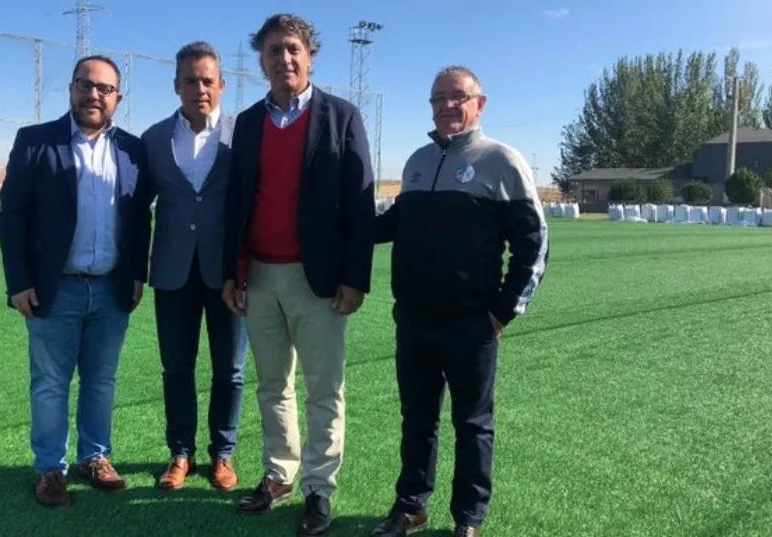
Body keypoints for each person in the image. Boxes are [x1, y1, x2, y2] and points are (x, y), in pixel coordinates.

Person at [370, 65, 549, 537]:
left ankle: (468, 520)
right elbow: (394, 224)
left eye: (457, 96)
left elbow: (534, 243)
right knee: (417, 419)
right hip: (413, 318)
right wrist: (338, 221)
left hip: (472, 323)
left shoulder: (502, 161)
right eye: (438, 98)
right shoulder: (417, 161)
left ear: (479, 103)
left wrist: (503, 311)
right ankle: (411, 505)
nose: (447, 105)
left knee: (472, 425)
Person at [221, 12, 376, 537]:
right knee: (271, 385)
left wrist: (355, 276)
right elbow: (236, 203)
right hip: (259, 277)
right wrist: (232, 271)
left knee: (323, 389)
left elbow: (359, 203)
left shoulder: (342, 116)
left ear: (309, 55)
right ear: (260, 61)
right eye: (272, 51)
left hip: (320, 281)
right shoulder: (245, 123)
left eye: (292, 49)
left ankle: (319, 489)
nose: (283, 59)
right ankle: (279, 475)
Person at [0, 54, 143, 508]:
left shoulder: (133, 150)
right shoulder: (35, 142)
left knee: (101, 381)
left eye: (105, 89)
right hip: (52, 288)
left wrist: (137, 272)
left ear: (118, 98)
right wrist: (18, 280)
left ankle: (94, 457)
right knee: (50, 384)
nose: (94, 94)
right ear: (71, 89)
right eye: (86, 84)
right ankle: (49, 469)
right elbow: (12, 215)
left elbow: (140, 219)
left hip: (110, 288)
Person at [130, 41, 248, 492]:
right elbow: (139, 210)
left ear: (221, 84)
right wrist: (137, 271)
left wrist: (246, 269)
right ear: (176, 86)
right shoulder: (154, 138)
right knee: (176, 369)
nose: (199, 87)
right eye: (189, 80)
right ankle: (180, 452)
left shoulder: (245, 132)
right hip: (172, 273)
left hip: (229, 276)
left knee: (230, 370)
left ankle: (223, 453)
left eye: (207, 80)